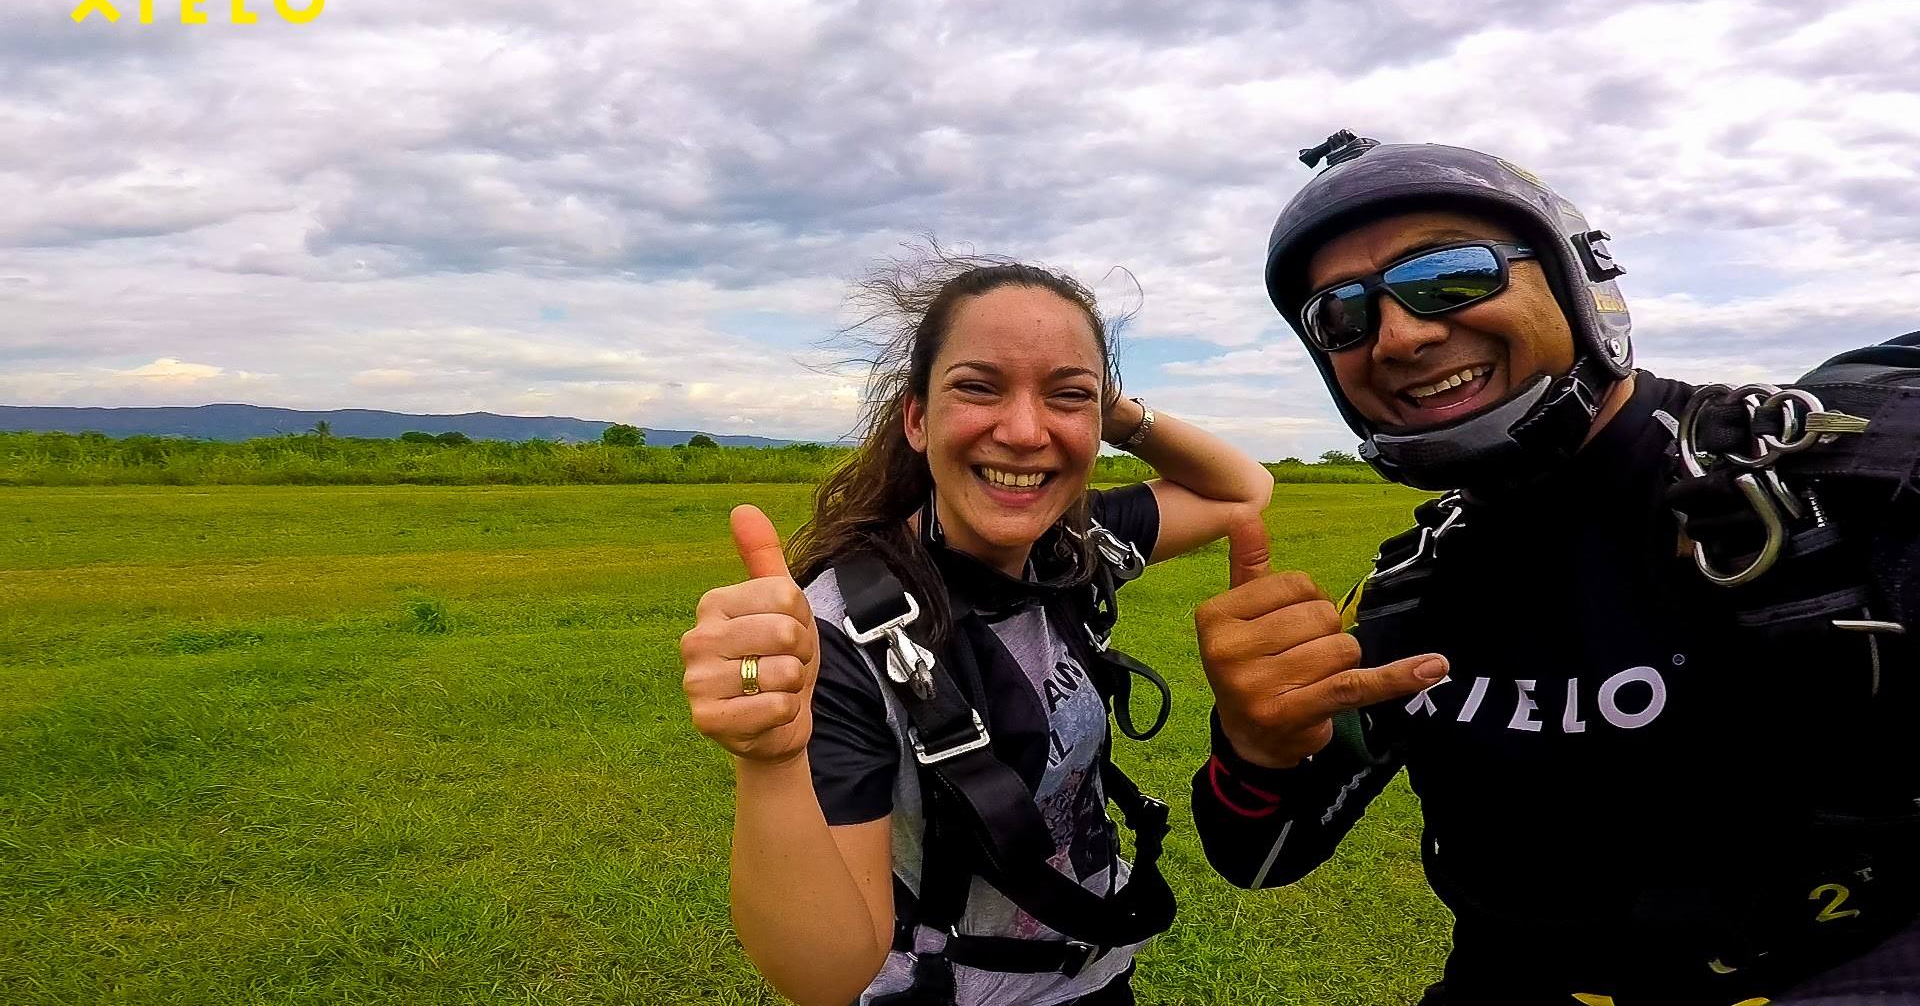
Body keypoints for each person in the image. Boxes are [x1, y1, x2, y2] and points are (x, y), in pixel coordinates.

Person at [1190, 130, 1920, 1004]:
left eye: (1450, 276)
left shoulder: (1822, 497)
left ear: (1577, 283)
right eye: (1341, 315)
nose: (1399, 335)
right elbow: (1261, 855)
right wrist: (1255, 747)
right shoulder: (1412, 587)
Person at [680, 253, 1275, 1006]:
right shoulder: (840, 634)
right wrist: (768, 762)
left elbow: (1245, 489)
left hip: (1096, 981)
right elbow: (825, 975)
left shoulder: (1068, 546)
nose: (1026, 431)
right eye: (978, 387)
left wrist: (1105, 408)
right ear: (917, 420)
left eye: (1064, 397)